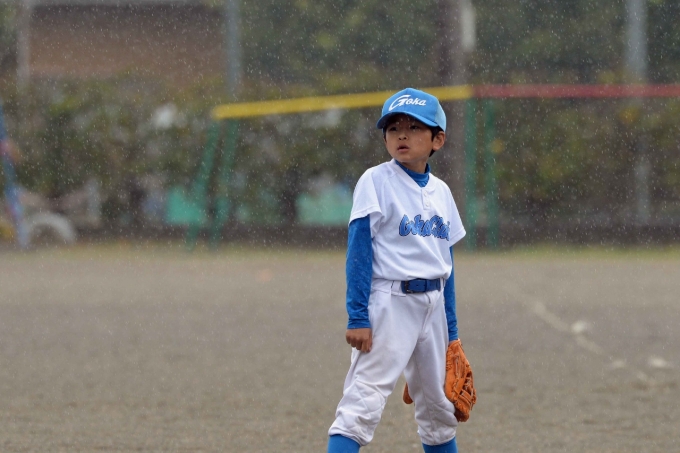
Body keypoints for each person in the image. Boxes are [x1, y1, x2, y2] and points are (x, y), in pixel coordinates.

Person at [327, 88, 467, 453]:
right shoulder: (376, 181)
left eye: (414, 127)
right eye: (393, 128)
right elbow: (359, 251)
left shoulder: (442, 192)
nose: (401, 135)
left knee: (440, 411)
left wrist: (452, 334)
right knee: (363, 403)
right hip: (390, 303)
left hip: (434, 308)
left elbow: (446, 267)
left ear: (438, 139)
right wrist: (358, 316)